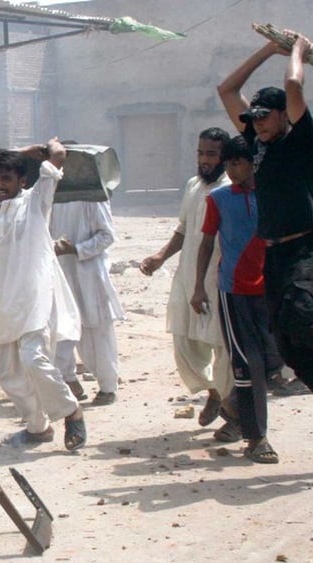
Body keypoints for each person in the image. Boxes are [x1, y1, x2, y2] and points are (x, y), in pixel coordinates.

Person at [217, 31, 313, 393]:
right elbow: (227, 90)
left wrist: (298, 48)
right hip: (273, 253)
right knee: (286, 343)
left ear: (283, 115)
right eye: (253, 117)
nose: (257, 123)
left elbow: (293, 84)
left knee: (300, 313)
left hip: (305, 247)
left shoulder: (299, 139)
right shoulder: (256, 143)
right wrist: (268, 49)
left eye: (265, 116)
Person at [0, 140, 86, 451]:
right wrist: (21, 152)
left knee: (33, 359)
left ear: (23, 181)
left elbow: (58, 154)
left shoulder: (37, 201)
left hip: (34, 298)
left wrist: (41, 149)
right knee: (6, 371)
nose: (0, 184)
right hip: (4, 302)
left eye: (7, 179)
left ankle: (72, 411)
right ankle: (38, 427)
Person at [191, 135, 283, 463]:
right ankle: (257, 439)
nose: (230, 170)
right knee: (248, 364)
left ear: (253, 164)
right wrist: (199, 287)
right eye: (227, 164)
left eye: (237, 163)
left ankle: (233, 404)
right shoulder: (218, 199)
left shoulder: (274, 195)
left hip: (271, 290)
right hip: (234, 292)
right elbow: (206, 243)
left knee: (276, 360)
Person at [140, 128, 233, 426]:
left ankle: (232, 412)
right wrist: (160, 257)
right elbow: (183, 229)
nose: (204, 160)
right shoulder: (193, 185)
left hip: (217, 280)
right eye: (201, 153)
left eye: (211, 154)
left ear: (224, 156)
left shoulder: (229, 189)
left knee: (222, 346)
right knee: (184, 343)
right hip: (187, 277)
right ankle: (214, 392)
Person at [50, 195, 124, 407]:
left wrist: (76, 249)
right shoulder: (50, 193)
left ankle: (108, 387)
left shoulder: (93, 196)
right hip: (60, 272)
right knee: (61, 329)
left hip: (89, 272)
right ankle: (68, 381)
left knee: (97, 330)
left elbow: (107, 235)